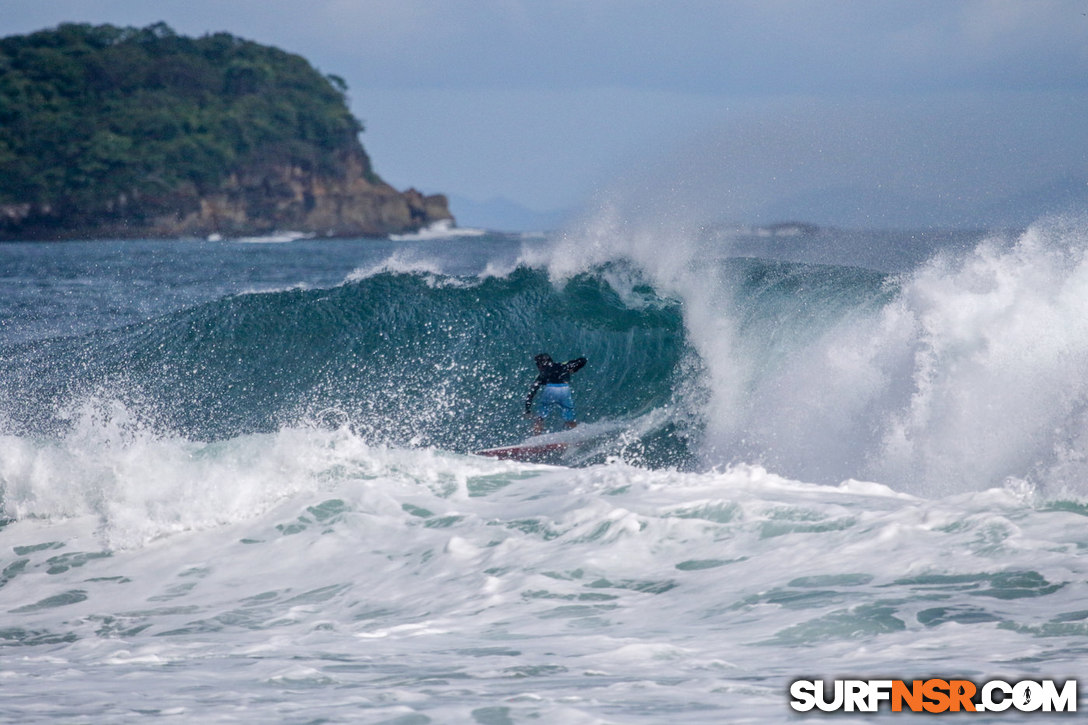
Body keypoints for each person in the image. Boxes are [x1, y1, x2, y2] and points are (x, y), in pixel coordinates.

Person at [525, 353, 587, 434]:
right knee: (569, 416)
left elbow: (532, 392)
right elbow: (583, 360)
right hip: (565, 390)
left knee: (540, 418)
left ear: (540, 365)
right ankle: (577, 435)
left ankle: (536, 438)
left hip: (551, 390)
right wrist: (574, 369)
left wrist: (528, 410)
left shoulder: (542, 374)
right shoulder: (564, 365)